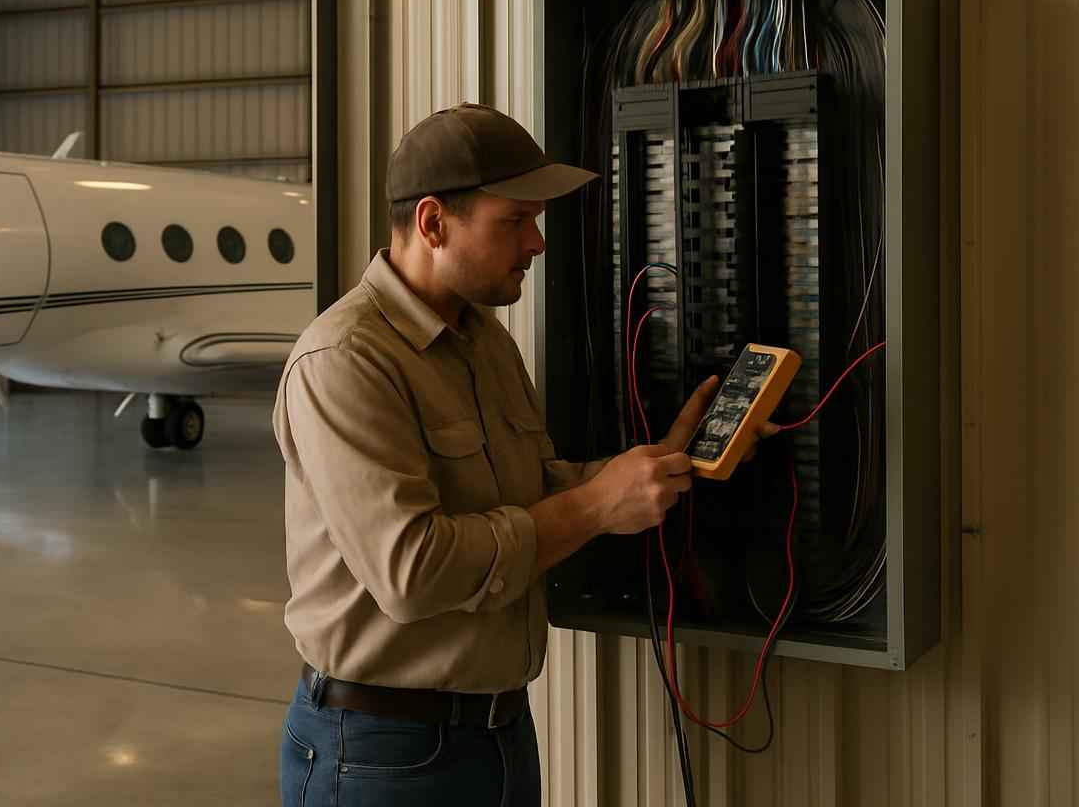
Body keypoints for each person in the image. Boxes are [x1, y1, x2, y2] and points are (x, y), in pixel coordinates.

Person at [273, 102, 749, 807]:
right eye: (514, 220)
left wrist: (656, 468)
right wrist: (594, 506)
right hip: (380, 755)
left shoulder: (483, 339)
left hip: (497, 736)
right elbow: (413, 570)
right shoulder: (344, 361)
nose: (537, 243)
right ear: (433, 223)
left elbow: (531, 486)